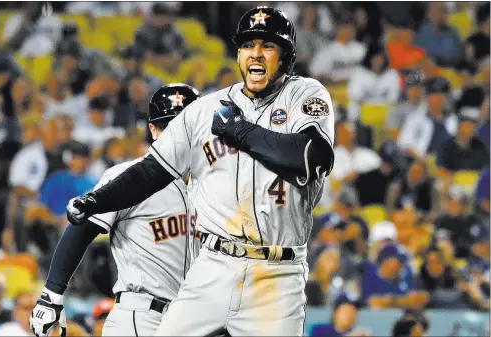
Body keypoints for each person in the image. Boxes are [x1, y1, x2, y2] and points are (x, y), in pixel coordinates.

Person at [66, 6, 335, 336]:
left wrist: (240, 132)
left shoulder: (304, 95)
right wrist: (98, 200)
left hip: (276, 275)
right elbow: (151, 172)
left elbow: (312, 156)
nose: (256, 55)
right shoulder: (205, 109)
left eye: (267, 46)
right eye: (248, 45)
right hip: (215, 265)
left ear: (287, 56)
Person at [29, 84, 201, 337]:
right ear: (153, 131)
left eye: (185, 126)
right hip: (143, 316)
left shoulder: (213, 184)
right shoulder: (128, 177)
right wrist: (52, 293)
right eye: (168, 127)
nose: (178, 136)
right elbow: (82, 227)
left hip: (194, 318)